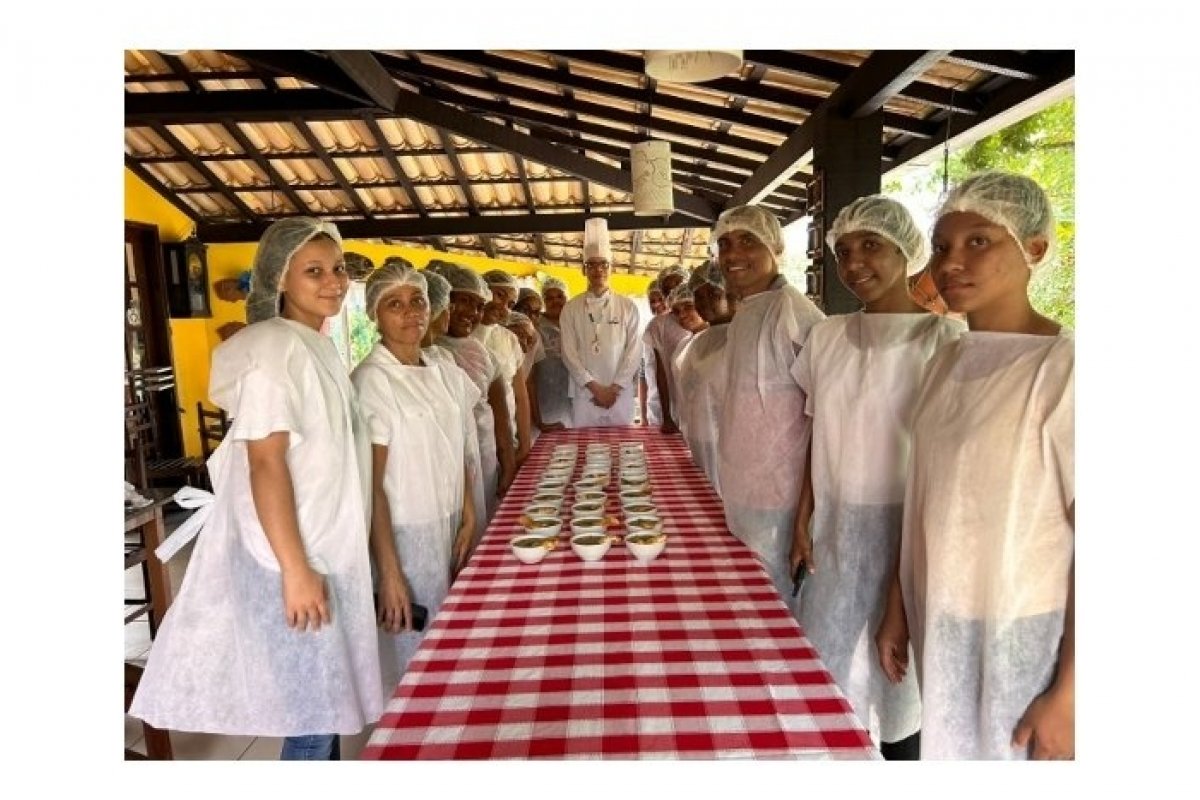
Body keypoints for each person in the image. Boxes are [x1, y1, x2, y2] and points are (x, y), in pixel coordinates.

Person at [129, 218, 381, 760]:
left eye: (337, 268)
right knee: (312, 716)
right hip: (293, 554)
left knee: (322, 708)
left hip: (321, 547)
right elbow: (266, 465)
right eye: (313, 271)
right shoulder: (273, 351)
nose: (333, 281)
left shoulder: (315, 345)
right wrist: (295, 570)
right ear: (278, 281)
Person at [876, 172, 1074, 760]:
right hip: (942, 612)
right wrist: (898, 607)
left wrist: (1072, 692)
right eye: (941, 246)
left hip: (1024, 631)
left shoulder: (1063, 371)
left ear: (1034, 248)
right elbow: (925, 496)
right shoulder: (946, 360)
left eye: (979, 242)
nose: (951, 262)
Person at [789, 195, 965, 759]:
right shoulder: (827, 337)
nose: (855, 262)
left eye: (872, 246)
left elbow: (948, 463)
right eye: (843, 252)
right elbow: (818, 430)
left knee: (900, 684)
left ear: (906, 252)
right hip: (836, 530)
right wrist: (803, 515)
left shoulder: (944, 344)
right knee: (825, 668)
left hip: (910, 533)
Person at [351, 261, 477, 692]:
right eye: (394, 304)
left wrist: (468, 510)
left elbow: (455, 441)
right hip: (406, 535)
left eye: (417, 300)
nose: (410, 313)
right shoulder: (372, 381)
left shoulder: (440, 367)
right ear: (374, 315)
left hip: (449, 523)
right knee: (414, 658)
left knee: (449, 644)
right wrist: (389, 573)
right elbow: (372, 485)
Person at [713, 205, 825, 613]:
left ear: (775, 247)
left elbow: (823, 415)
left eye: (748, 241)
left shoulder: (791, 312)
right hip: (744, 487)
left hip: (782, 494)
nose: (733, 254)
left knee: (777, 605)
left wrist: (803, 514)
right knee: (750, 601)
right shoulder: (748, 310)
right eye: (724, 243)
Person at [426, 261, 516, 522]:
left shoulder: (483, 354)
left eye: (478, 306)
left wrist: (508, 463)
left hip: (483, 458)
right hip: (442, 469)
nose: (472, 312)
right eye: (463, 301)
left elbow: (501, 415)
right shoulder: (426, 353)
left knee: (482, 528)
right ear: (444, 301)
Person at [420, 267, 487, 554]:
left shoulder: (440, 357)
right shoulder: (377, 374)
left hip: (464, 475)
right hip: (423, 497)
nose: (458, 311)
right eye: (452, 304)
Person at [558, 233, 643, 427]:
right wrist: (596, 389)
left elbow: (635, 351)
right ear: (584, 269)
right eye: (591, 265)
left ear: (611, 268)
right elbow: (568, 354)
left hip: (620, 394)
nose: (598, 270)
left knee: (623, 451)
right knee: (586, 450)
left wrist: (614, 389)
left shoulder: (627, 306)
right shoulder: (570, 308)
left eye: (604, 264)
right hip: (585, 394)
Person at [672, 260, 736, 493]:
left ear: (731, 292)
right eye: (698, 296)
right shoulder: (701, 341)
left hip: (730, 449)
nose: (705, 302)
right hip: (701, 444)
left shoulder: (742, 337)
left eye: (713, 293)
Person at [478, 269, 533, 466]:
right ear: (481, 290)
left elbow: (520, 395)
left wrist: (525, 444)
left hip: (509, 439)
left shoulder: (508, 339)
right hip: (476, 440)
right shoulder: (461, 336)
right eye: (499, 295)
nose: (503, 306)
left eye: (510, 304)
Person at [642, 266, 691, 434]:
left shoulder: (702, 316)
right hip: (670, 405)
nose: (674, 290)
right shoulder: (658, 325)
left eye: (679, 284)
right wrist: (667, 416)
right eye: (667, 289)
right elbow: (660, 372)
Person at [532, 276, 571, 431]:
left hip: (573, 396)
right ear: (544, 302)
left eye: (560, 296)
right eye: (549, 298)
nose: (555, 301)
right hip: (544, 396)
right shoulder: (536, 325)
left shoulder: (574, 324)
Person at [638, 278, 665, 427]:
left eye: (660, 299)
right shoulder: (649, 330)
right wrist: (643, 417)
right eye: (652, 300)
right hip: (654, 410)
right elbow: (643, 376)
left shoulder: (683, 328)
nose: (656, 304)